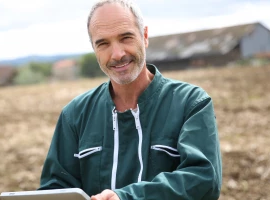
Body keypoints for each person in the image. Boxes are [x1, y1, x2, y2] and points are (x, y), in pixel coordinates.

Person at [38, 0, 222, 199]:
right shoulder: (74, 115)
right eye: (103, 43)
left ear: (144, 36)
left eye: (126, 38)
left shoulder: (191, 103)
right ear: (94, 48)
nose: (117, 54)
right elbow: (55, 189)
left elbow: (204, 180)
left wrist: (127, 197)